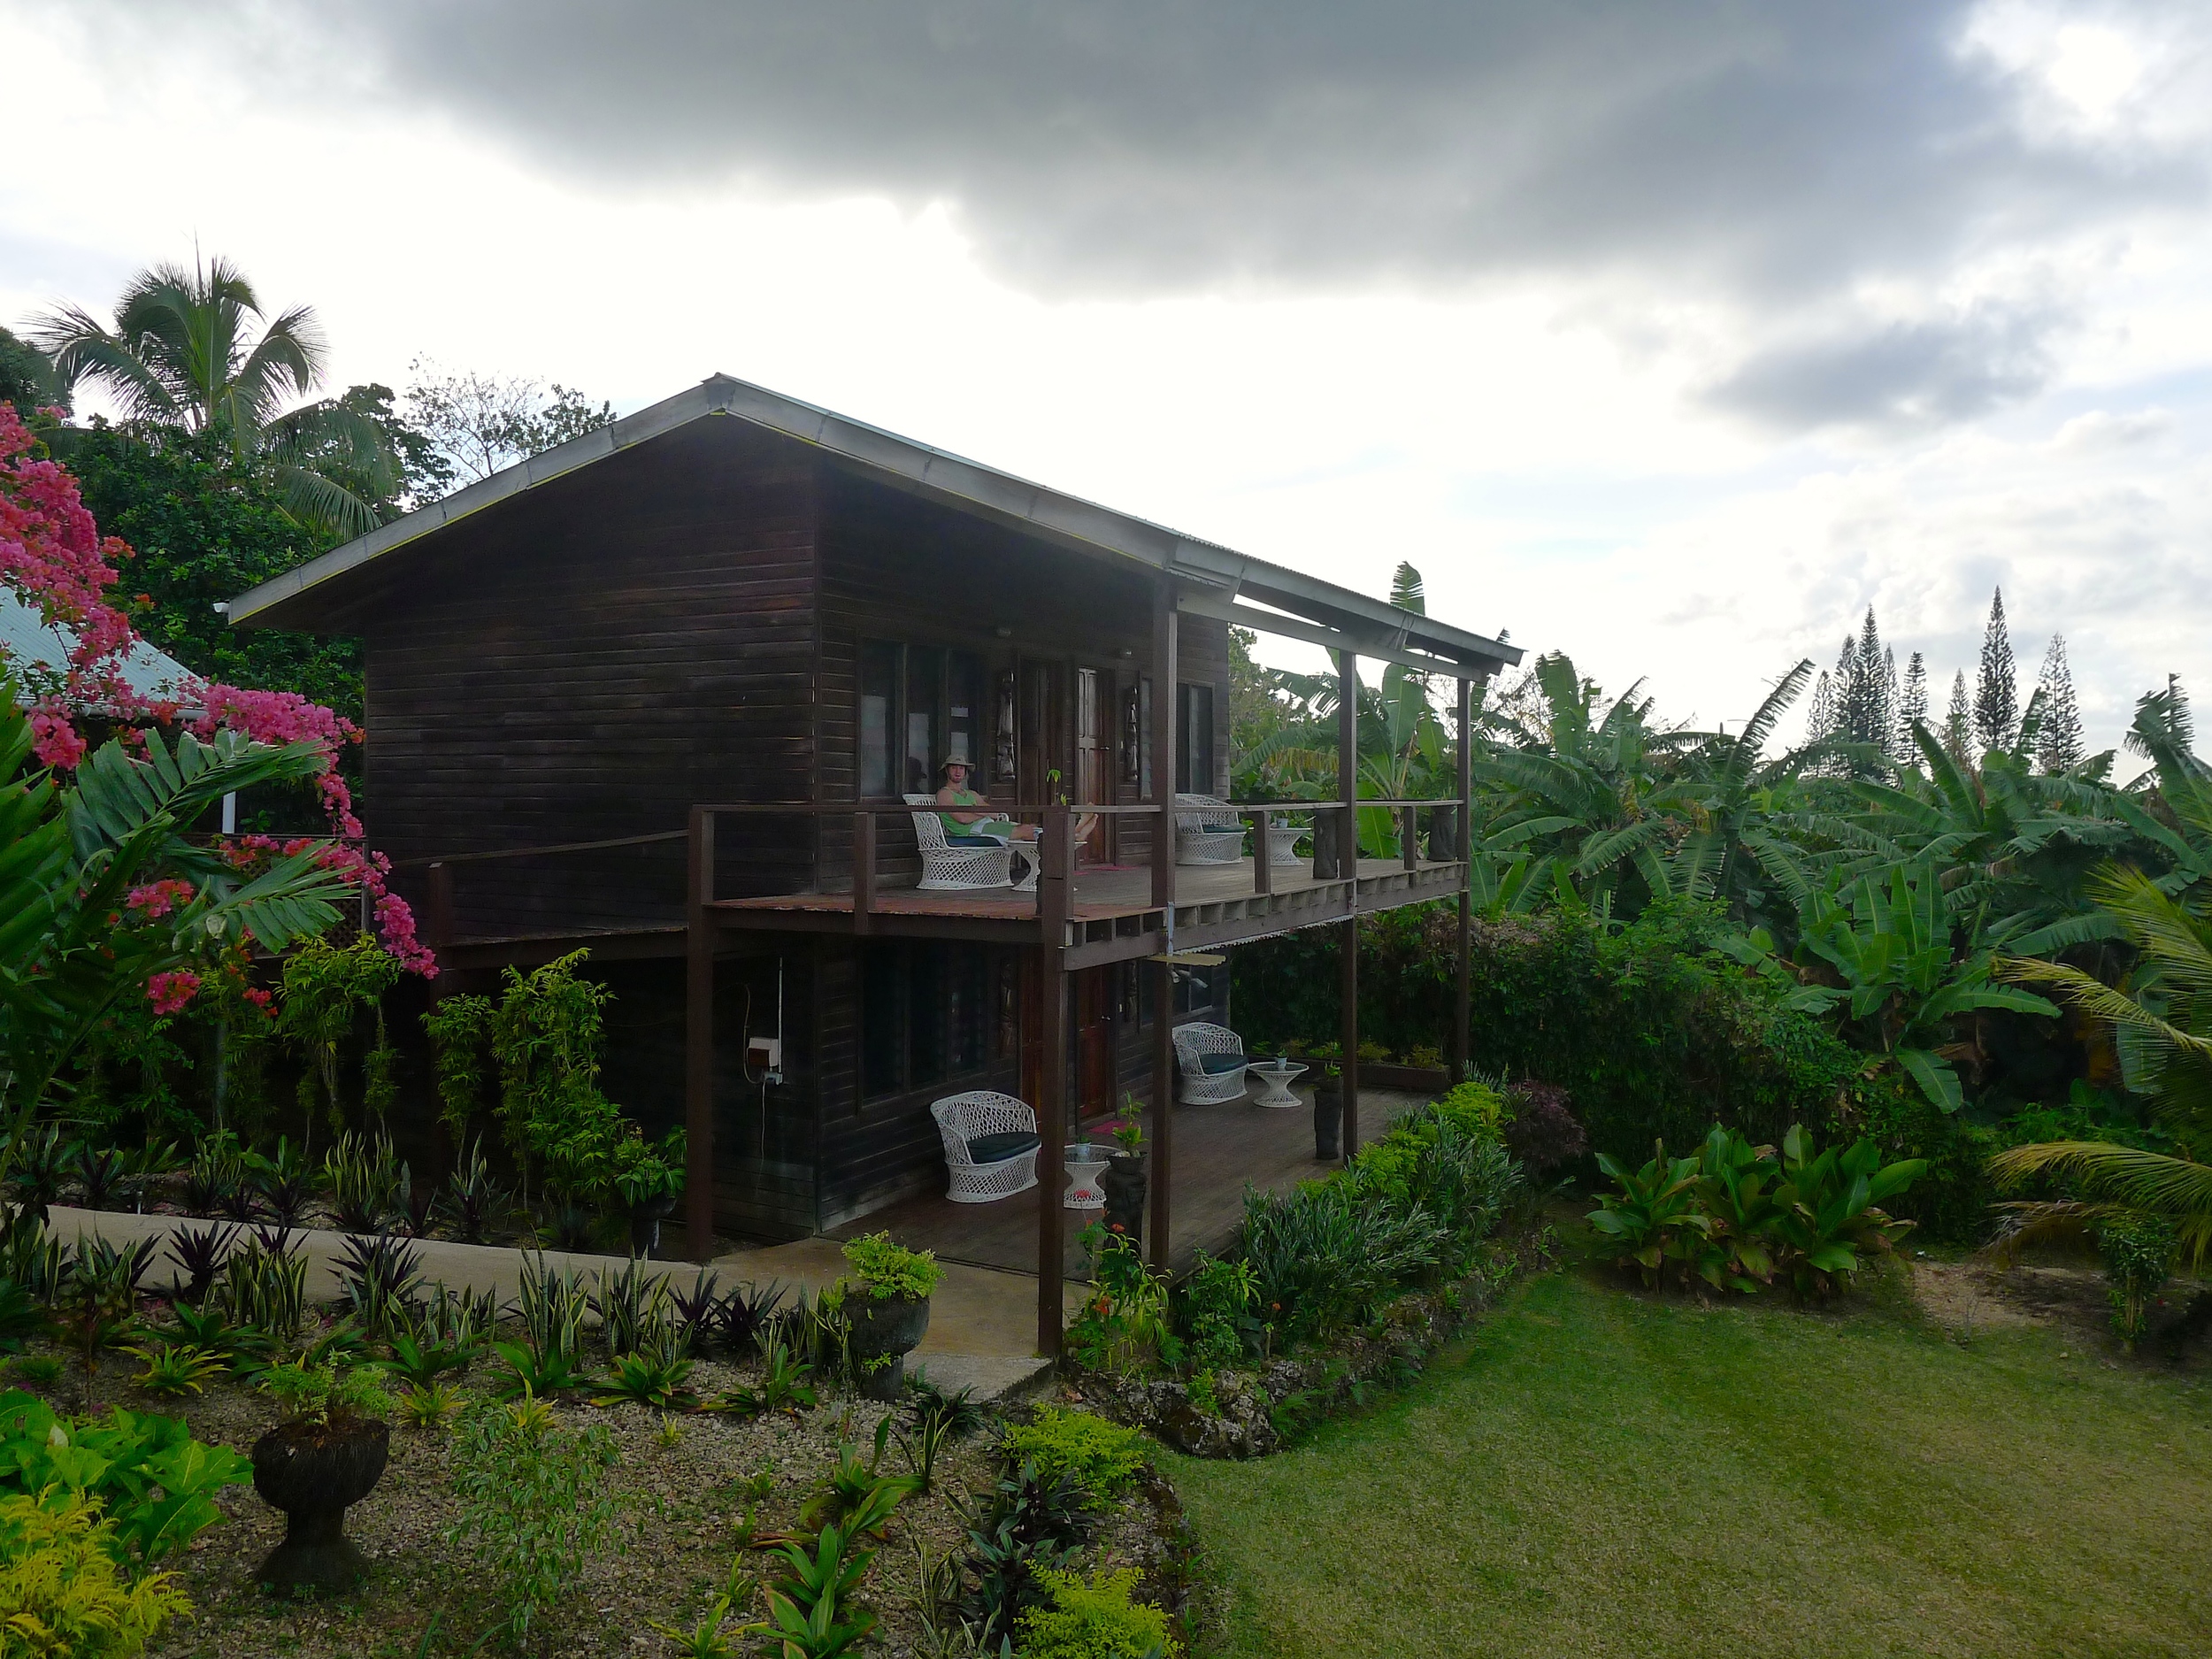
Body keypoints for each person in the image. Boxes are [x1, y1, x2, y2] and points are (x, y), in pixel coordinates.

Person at [934, 759, 1099, 849]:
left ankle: (1075, 832)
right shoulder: (944, 794)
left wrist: (976, 812)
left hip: (988, 825)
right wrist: (979, 812)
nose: (958, 771)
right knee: (1026, 831)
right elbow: (962, 818)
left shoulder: (972, 794)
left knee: (1029, 827)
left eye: (961, 768)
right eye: (954, 768)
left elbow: (994, 813)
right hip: (972, 832)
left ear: (965, 772)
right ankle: (1075, 834)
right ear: (947, 771)